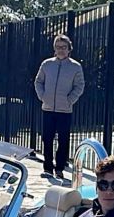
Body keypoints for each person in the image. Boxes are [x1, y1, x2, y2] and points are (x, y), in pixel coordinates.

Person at [34, 34, 85, 181]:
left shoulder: (75, 67)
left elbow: (79, 86)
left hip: (65, 110)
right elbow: (38, 82)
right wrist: (43, 96)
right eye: (58, 47)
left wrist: (70, 100)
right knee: (47, 138)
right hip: (48, 108)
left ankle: (60, 168)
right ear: (54, 49)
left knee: (63, 140)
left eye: (63, 47)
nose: (61, 50)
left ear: (69, 49)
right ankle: (48, 167)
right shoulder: (47, 64)